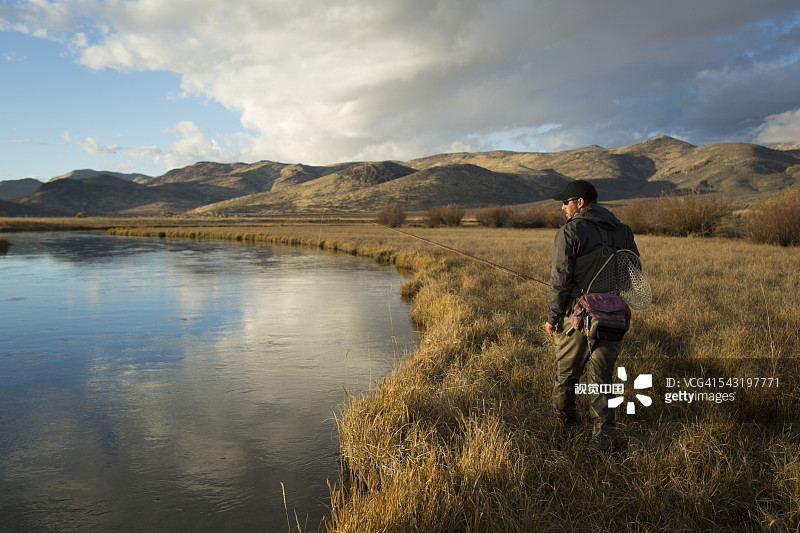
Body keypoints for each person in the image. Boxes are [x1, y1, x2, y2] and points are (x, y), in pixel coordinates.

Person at [544, 179, 639, 451]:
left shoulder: (570, 231)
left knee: (566, 377)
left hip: (578, 319)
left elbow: (560, 281)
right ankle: (604, 440)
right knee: (603, 379)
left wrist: (552, 318)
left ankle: (564, 430)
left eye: (566, 202)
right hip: (613, 318)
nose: (563, 207)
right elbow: (633, 274)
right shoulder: (623, 230)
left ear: (580, 203)